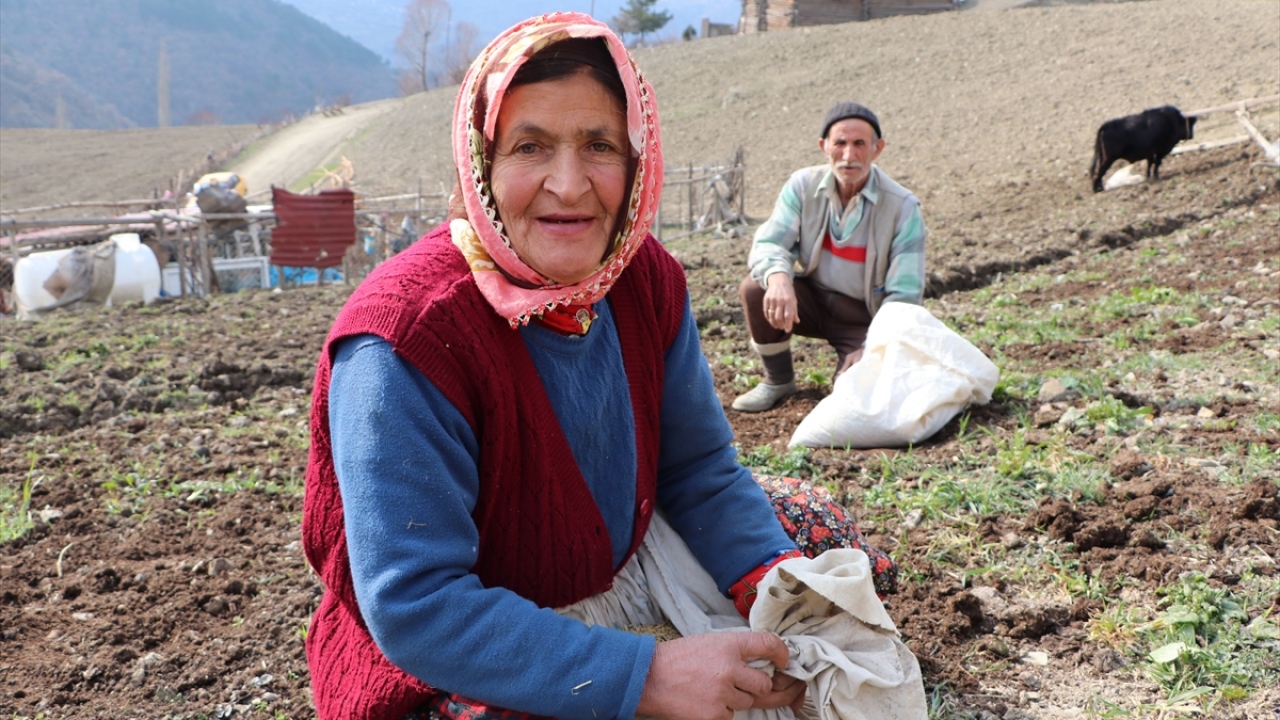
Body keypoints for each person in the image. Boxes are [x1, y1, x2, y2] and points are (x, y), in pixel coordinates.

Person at [303, 14, 895, 720]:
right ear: (480, 161)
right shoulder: (407, 338)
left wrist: (776, 595)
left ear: (636, 159)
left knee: (812, 536)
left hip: (624, 563)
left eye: (599, 146)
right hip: (474, 642)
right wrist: (647, 676)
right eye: (529, 146)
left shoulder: (643, 279)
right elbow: (418, 605)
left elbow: (698, 471)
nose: (569, 183)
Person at [731, 102, 927, 413]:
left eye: (859, 144)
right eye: (840, 143)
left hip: (865, 317)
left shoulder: (902, 207)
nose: (849, 155)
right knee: (757, 289)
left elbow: (904, 295)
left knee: (850, 399)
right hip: (813, 301)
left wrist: (871, 347)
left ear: (877, 149)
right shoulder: (802, 185)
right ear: (824, 147)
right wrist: (779, 279)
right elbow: (770, 242)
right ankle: (778, 380)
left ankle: (853, 368)